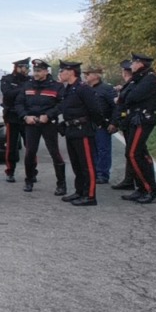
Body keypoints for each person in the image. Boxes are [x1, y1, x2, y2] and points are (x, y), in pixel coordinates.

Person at [57, 61, 108, 206]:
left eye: (63, 71)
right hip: (71, 130)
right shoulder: (69, 89)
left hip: (82, 130)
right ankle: (79, 191)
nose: (60, 74)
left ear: (71, 72)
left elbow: (95, 109)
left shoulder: (83, 89)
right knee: (76, 164)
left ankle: (90, 195)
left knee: (87, 165)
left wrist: (97, 124)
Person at [17, 59, 67, 195]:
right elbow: (19, 104)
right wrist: (25, 116)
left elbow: (62, 104)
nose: (36, 73)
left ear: (46, 71)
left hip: (48, 123)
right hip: (31, 123)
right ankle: (29, 179)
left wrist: (49, 115)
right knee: (30, 153)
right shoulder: (27, 85)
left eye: (39, 71)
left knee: (54, 152)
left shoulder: (56, 86)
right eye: (35, 71)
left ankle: (61, 184)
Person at [120, 53, 156, 203]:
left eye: (133, 62)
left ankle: (150, 189)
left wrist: (126, 95)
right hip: (135, 118)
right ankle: (141, 188)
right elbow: (124, 96)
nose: (131, 65)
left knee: (133, 154)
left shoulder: (150, 78)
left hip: (143, 119)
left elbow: (131, 97)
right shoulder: (140, 77)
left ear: (140, 64)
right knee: (139, 154)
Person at [108, 59, 138, 192]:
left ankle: (137, 181)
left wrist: (114, 122)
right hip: (126, 122)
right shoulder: (129, 85)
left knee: (134, 153)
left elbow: (121, 105)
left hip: (133, 121)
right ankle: (129, 179)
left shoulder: (133, 84)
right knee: (130, 152)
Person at [0, 58, 30, 182]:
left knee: (30, 145)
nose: (27, 70)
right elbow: (8, 94)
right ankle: (10, 171)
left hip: (27, 115)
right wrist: (23, 89)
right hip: (12, 116)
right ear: (17, 67)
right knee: (11, 146)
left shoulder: (30, 80)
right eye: (25, 68)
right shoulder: (7, 79)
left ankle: (32, 171)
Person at [85, 66, 116, 184]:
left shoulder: (106, 89)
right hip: (90, 124)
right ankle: (94, 172)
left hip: (103, 124)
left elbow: (115, 106)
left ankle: (102, 174)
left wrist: (114, 122)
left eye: (88, 74)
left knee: (103, 150)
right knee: (92, 149)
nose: (86, 76)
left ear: (96, 76)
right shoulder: (86, 89)